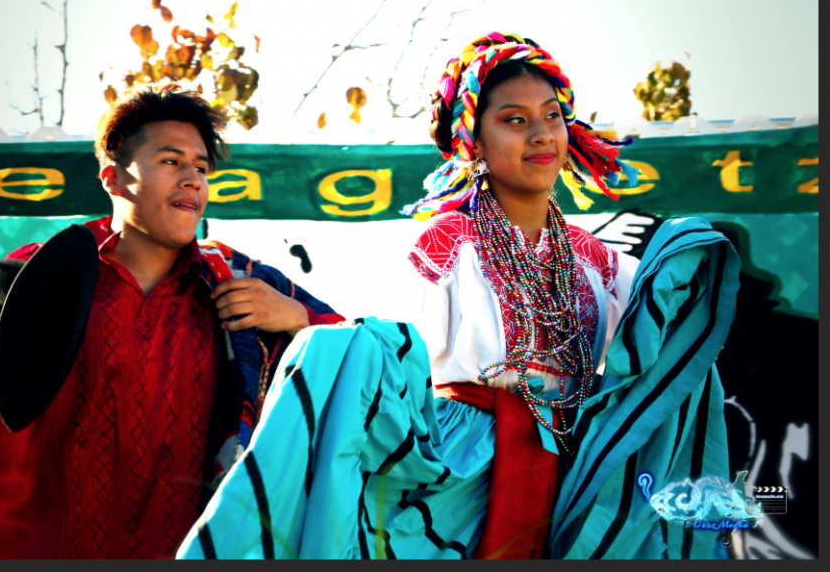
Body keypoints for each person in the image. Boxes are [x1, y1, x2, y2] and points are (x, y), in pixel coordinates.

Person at [175, 33, 737, 560]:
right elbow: (393, 368)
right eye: (515, 120)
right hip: (456, 465)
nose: (542, 134)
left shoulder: (604, 264)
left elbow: (652, 359)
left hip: (571, 469)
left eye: (553, 117)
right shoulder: (444, 242)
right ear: (474, 140)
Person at [0, 83, 344, 559]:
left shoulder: (244, 284)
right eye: (171, 161)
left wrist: (299, 322)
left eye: (201, 167)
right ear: (113, 177)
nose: (193, 179)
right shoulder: (39, 274)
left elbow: (368, 368)